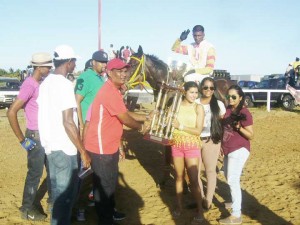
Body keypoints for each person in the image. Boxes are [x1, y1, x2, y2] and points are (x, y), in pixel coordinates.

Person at [83, 58, 152, 225]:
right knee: (104, 187)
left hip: (109, 145)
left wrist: (146, 117)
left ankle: (109, 214)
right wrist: (141, 127)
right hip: (101, 147)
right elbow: (125, 118)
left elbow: (124, 112)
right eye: (119, 71)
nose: (123, 74)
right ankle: (105, 219)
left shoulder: (114, 90)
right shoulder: (108, 92)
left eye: (125, 71)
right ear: (109, 72)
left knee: (109, 184)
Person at [37, 45, 91, 225]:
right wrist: (82, 151)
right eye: (74, 61)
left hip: (51, 147)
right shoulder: (64, 85)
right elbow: (68, 121)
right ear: (69, 62)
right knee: (65, 197)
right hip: (64, 148)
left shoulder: (45, 83)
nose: (75, 65)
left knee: (58, 195)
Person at [7, 52, 53, 221]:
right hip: (35, 136)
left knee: (51, 170)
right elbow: (12, 111)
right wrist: (22, 140)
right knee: (35, 173)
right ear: (39, 67)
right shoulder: (30, 84)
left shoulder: (40, 83)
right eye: (47, 66)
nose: (50, 68)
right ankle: (27, 208)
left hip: (45, 135)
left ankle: (52, 202)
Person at [170, 81, 205, 223]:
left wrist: (181, 126)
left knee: (194, 180)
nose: (194, 95)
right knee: (179, 177)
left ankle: (200, 210)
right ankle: (179, 207)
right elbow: (168, 121)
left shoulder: (199, 107)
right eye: (191, 92)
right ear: (184, 92)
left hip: (192, 145)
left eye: (196, 92)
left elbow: (198, 130)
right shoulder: (175, 105)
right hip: (176, 144)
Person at [219, 85, 254, 225]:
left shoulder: (245, 113)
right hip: (228, 149)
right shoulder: (227, 110)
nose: (231, 99)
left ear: (240, 97)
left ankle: (236, 215)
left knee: (233, 179)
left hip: (239, 149)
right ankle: (235, 201)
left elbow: (251, 135)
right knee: (228, 176)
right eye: (229, 96)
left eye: (234, 96)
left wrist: (239, 127)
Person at [196, 77, 226, 210]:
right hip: (195, 140)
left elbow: (222, 124)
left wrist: (223, 144)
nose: (208, 90)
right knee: (195, 172)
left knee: (210, 171)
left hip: (212, 140)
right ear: (201, 88)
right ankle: (201, 197)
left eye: (211, 88)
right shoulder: (195, 102)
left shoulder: (218, 104)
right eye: (206, 87)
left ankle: (208, 200)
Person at [75, 50, 108, 131]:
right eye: (101, 62)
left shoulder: (100, 78)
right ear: (93, 62)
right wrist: (82, 126)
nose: (104, 65)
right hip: (88, 126)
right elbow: (77, 101)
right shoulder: (85, 77)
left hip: (99, 123)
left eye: (105, 62)